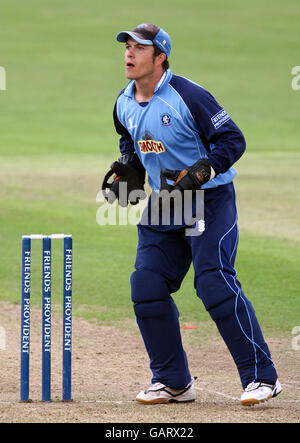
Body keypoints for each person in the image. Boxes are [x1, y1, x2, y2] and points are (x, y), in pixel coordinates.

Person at [103, 23, 282, 406]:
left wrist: (203, 171)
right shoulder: (123, 101)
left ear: (160, 56)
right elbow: (128, 137)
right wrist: (129, 167)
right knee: (147, 287)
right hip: (168, 201)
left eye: (139, 48)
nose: (129, 54)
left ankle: (262, 377)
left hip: (210, 199)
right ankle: (172, 382)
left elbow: (233, 139)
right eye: (127, 47)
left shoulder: (187, 96)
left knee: (213, 282)